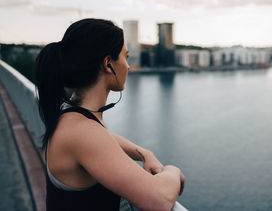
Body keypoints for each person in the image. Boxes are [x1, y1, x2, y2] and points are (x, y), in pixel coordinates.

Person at [35, 18, 185, 211]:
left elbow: (105, 139)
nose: (128, 66)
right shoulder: (82, 131)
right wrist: (173, 171)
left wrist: (144, 154)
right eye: (125, 57)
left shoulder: (70, 114)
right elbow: (159, 200)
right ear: (108, 64)